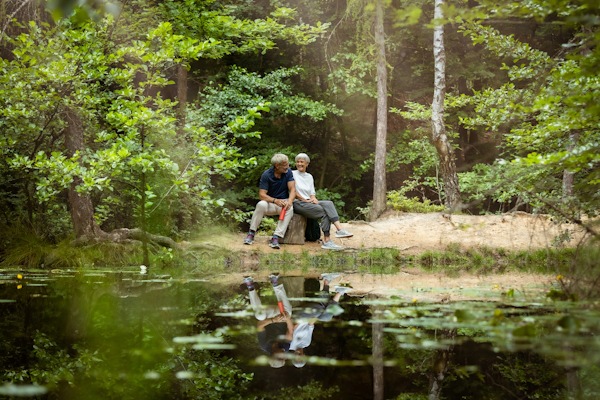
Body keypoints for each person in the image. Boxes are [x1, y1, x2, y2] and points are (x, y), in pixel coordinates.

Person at [288, 273, 352, 368]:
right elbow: (310, 326)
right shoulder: (306, 343)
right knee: (327, 317)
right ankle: (333, 286)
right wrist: (314, 317)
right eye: (300, 356)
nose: (298, 354)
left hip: (299, 316)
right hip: (309, 318)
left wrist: (310, 317)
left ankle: (337, 289)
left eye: (296, 356)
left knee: (322, 309)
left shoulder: (290, 344)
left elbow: (292, 327)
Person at [292, 153, 353, 250]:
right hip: (297, 203)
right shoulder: (292, 174)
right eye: (298, 162)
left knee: (328, 203)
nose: (299, 164)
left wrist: (313, 198)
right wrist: (305, 200)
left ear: (307, 164)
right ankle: (327, 240)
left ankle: (340, 230)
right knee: (325, 212)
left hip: (308, 202)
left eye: (302, 162)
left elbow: (312, 192)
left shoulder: (309, 177)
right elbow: (292, 191)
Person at [244, 153, 296, 249]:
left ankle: (276, 237)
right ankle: (251, 233)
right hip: (270, 203)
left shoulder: (288, 172)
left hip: (283, 203)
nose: (287, 167)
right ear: (277, 165)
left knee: (290, 208)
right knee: (261, 204)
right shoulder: (266, 175)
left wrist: (289, 201)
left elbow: (292, 189)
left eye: (288, 164)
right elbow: (262, 195)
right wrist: (274, 200)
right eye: (285, 165)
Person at [243, 274, 294, 368]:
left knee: (259, 316)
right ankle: (275, 283)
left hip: (268, 316)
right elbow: (290, 331)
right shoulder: (285, 348)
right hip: (281, 316)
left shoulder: (264, 345)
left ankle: (250, 286)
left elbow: (259, 326)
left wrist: (273, 320)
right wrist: (287, 318)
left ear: (273, 354)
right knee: (289, 313)